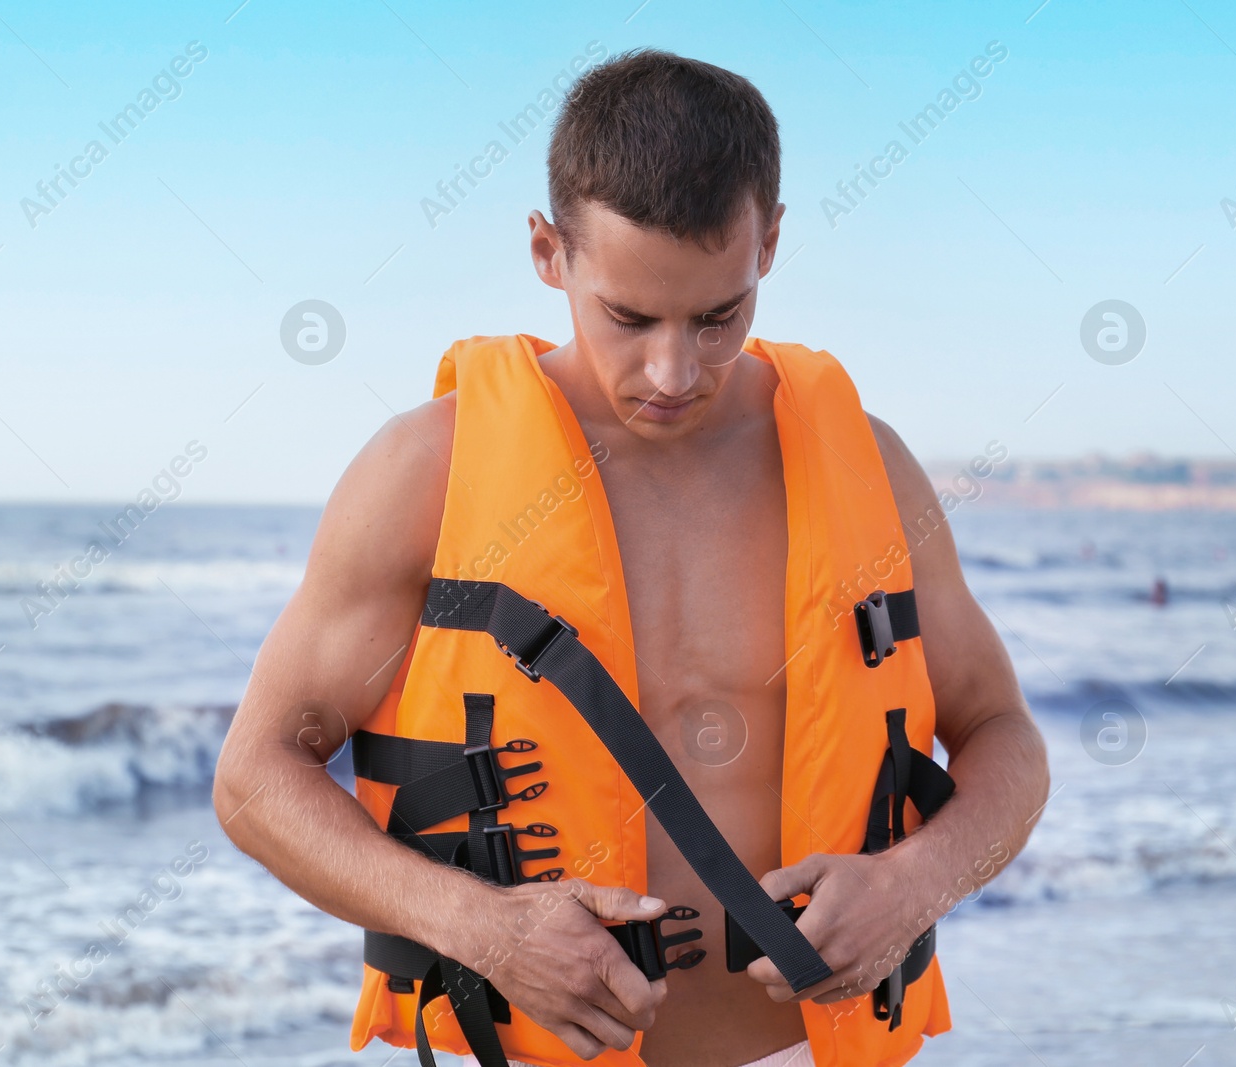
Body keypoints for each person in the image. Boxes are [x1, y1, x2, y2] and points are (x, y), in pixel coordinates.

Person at [213, 49, 1049, 1067]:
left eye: (716, 317)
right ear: (547, 251)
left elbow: (1003, 733)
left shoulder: (868, 468)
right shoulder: (424, 471)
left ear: (770, 242)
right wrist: (486, 930)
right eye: (628, 317)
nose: (672, 371)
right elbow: (255, 778)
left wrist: (916, 884)